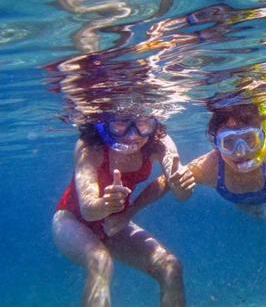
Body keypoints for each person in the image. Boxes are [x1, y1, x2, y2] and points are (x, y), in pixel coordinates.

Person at [52, 113, 194, 307]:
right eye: (121, 123)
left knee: (170, 266)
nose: (133, 135)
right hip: (71, 220)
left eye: (143, 123)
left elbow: (180, 192)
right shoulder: (90, 146)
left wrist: (182, 186)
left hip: (115, 222)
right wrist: (104, 205)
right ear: (104, 124)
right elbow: (87, 210)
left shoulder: (158, 142)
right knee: (101, 262)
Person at [186, 102, 266, 217]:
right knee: (256, 216)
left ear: (264, 138)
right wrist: (177, 182)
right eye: (228, 141)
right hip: (243, 201)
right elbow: (167, 180)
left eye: (249, 138)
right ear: (217, 146)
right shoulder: (209, 166)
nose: (241, 152)